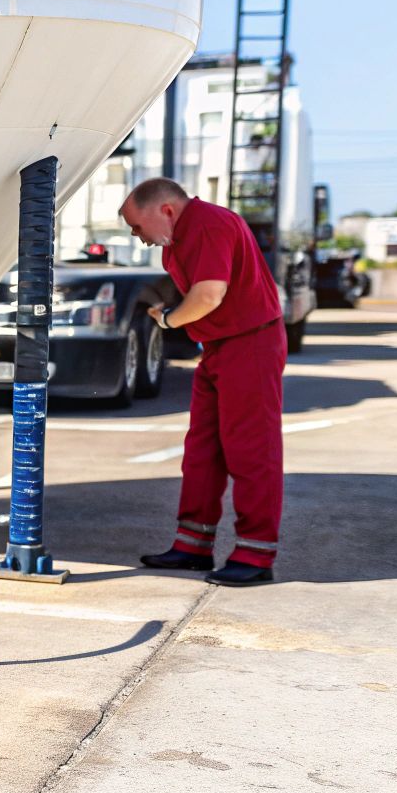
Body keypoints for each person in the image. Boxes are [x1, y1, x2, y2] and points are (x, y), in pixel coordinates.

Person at [119, 178, 285, 586]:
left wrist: (170, 319)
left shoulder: (208, 224)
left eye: (137, 226)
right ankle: (193, 546)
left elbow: (210, 294)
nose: (137, 238)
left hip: (250, 343)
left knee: (250, 448)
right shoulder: (183, 234)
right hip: (220, 345)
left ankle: (255, 554)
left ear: (166, 210)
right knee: (203, 450)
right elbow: (207, 296)